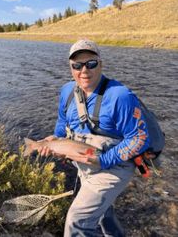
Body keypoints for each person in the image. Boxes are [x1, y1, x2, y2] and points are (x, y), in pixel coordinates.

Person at [39, 39, 150, 237]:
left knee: (77, 221)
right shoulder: (67, 91)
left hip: (114, 167)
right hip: (85, 162)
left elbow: (140, 139)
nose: (84, 71)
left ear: (100, 64)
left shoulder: (120, 96)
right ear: (70, 67)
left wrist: (102, 160)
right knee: (101, 213)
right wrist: (55, 141)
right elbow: (62, 125)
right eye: (77, 65)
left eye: (91, 63)